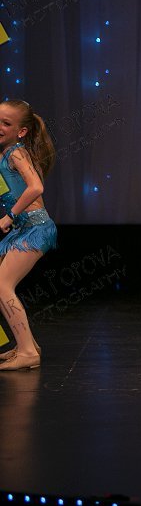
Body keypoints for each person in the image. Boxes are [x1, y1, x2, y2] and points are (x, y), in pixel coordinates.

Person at [0, 99, 57, 371]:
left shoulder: (17, 153)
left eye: (6, 123)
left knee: (2, 286)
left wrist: (9, 216)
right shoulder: (6, 153)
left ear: (21, 131)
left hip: (36, 228)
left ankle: (27, 353)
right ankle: (27, 345)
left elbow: (36, 187)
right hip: (24, 228)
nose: (0, 127)